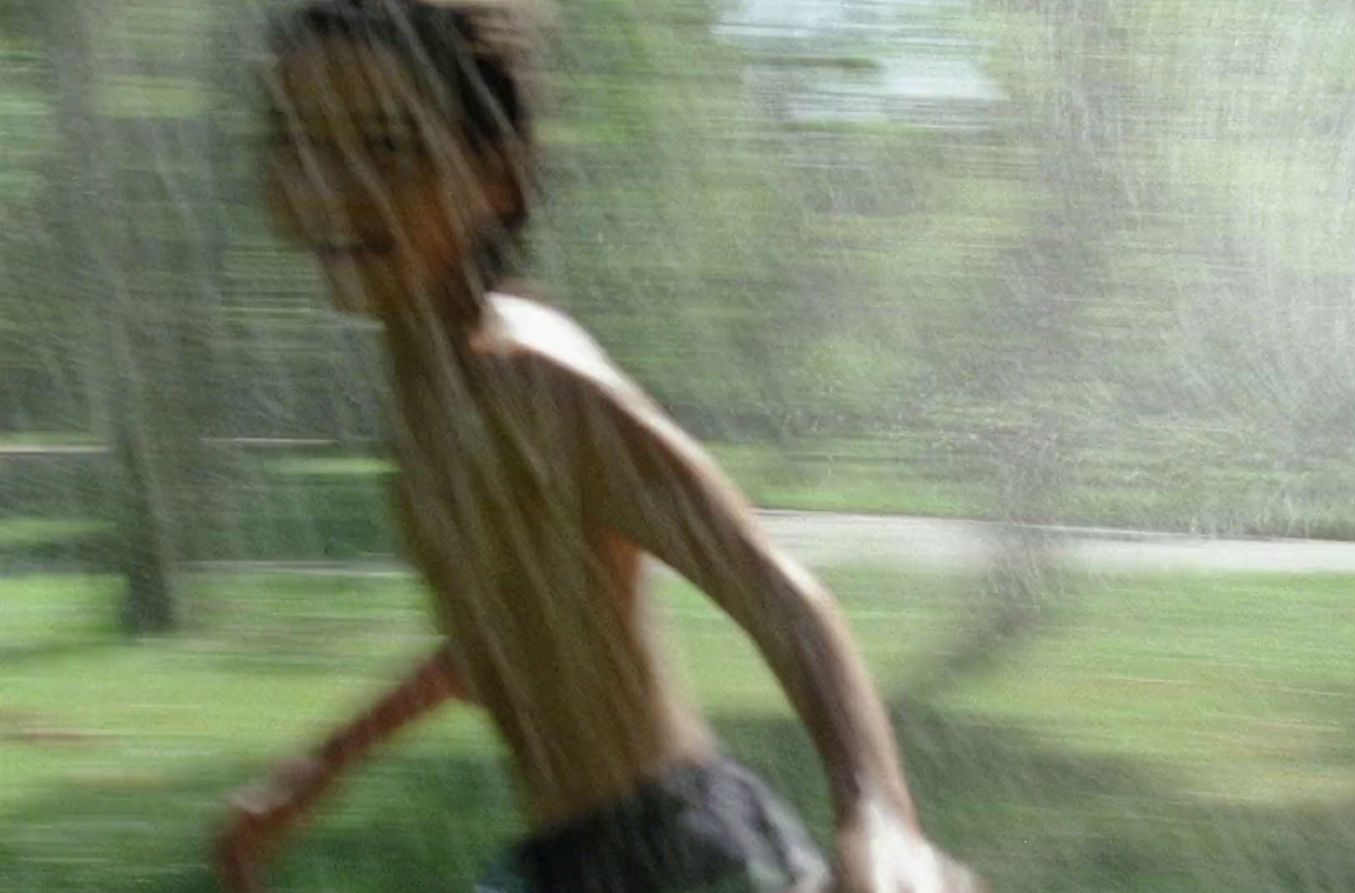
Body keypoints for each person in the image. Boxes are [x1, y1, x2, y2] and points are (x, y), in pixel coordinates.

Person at [218, 2, 986, 891]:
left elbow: (780, 593)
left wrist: (882, 818)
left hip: (674, 855)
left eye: (388, 146)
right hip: (565, 860)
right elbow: (495, 640)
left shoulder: (529, 386)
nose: (330, 188)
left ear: (496, 175)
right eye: (297, 140)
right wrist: (316, 771)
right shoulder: (431, 387)